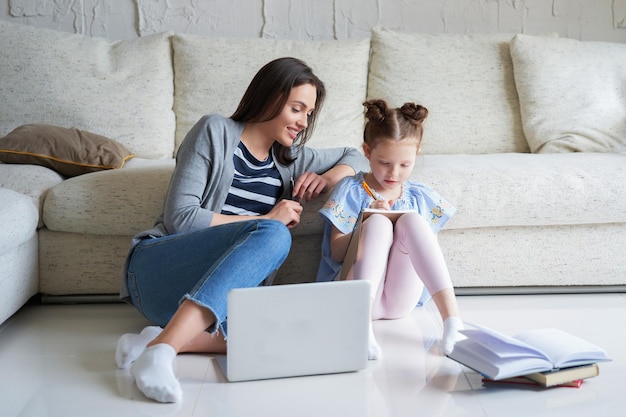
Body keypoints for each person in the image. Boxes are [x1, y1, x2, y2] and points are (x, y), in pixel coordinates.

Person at [114, 57, 368, 403]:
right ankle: (163, 352)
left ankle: (154, 341)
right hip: (158, 272)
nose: (302, 122)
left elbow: (357, 157)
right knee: (277, 234)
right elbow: (181, 218)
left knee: (295, 329)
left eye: (308, 113)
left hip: (217, 300)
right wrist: (267, 220)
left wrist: (326, 178)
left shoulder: (291, 159)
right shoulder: (214, 131)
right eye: (297, 108)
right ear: (270, 97)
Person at [316, 99, 463, 360]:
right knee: (379, 223)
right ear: (367, 151)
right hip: (356, 295)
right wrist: (367, 219)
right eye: (384, 163)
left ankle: (452, 320)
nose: (394, 173)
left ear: (416, 155)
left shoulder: (418, 195)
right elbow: (337, 253)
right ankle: (360, 327)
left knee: (413, 221)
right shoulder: (350, 190)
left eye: (405, 165)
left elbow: (424, 253)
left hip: (400, 300)